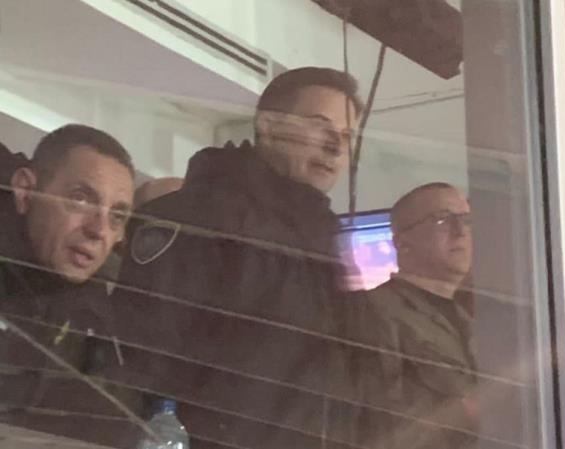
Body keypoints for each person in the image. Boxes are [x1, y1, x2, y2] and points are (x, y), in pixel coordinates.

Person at [104, 67, 362, 449]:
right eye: (318, 126)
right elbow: (142, 376)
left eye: (346, 136)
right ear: (268, 126)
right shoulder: (196, 222)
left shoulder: (324, 244)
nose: (335, 147)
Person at [0, 125, 136, 439]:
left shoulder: (95, 312)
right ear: (25, 190)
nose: (99, 230)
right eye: (81, 199)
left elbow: (112, 422)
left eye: (116, 217)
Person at [350, 182, 478, 449]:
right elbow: (375, 426)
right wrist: (466, 413)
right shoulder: (373, 311)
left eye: (466, 219)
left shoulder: (474, 321)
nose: (460, 231)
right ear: (402, 242)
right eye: (442, 219)